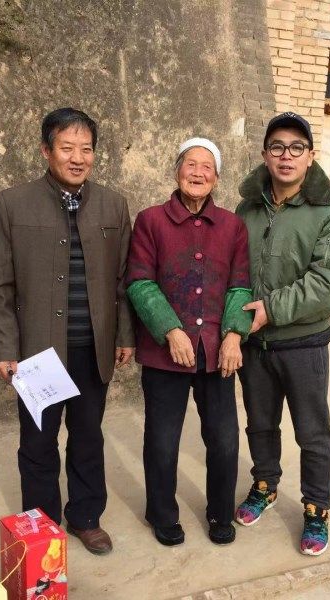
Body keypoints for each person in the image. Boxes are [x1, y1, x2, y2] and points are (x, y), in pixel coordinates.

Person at [0, 107, 134, 555]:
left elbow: (125, 280)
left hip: (92, 347)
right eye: (67, 148)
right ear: (46, 151)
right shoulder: (13, 204)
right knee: (37, 442)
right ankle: (42, 525)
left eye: (86, 149)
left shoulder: (113, 204)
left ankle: (86, 517)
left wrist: (124, 335)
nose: (77, 158)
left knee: (88, 437)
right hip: (37, 352)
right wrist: (4, 348)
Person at [234, 112, 330, 556]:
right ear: (265, 155)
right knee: (260, 424)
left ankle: (317, 509)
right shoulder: (247, 209)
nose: (287, 156)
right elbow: (234, 271)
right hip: (255, 344)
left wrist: (270, 309)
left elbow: (329, 282)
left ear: (310, 156)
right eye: (278, 147)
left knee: (312, 432)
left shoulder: (329, 213)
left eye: (297, 148)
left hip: (303, 343)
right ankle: (265, 486)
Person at [126, 138, 252, 547]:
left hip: (217, 352)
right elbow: (140, 281)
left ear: (217, 178)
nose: (198, 173)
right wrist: (171, 329)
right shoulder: (150, 221)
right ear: (177, 170)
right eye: (190, 164)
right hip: (166, 353)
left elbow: (240, 285)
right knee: (162, 441)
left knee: (224, 439)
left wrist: (234, 335)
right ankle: (162, 513)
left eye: (206, 167)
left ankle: (220, 512)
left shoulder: (232, 226)